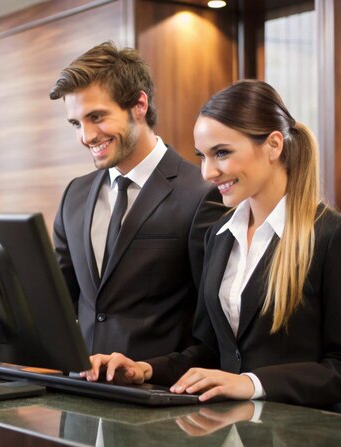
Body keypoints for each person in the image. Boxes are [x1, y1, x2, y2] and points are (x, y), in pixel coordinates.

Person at [83, 79, 341, 413]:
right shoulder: (220, 234)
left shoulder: (336, 238)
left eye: (222, 153)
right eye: (202, 157)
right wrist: (145, 369)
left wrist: (252, 383)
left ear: (274, 145)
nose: (208, 172)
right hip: (234, 431)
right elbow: (210, 351)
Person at [49, 41, 226, 360]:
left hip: (161, 398)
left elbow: (213, 325)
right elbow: (55, 299)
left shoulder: (202, 193)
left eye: (97, 117)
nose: (86, 136)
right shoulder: (74, 195)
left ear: (139, 105)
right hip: (80, 393)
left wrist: (150, 371)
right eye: (77, 123)